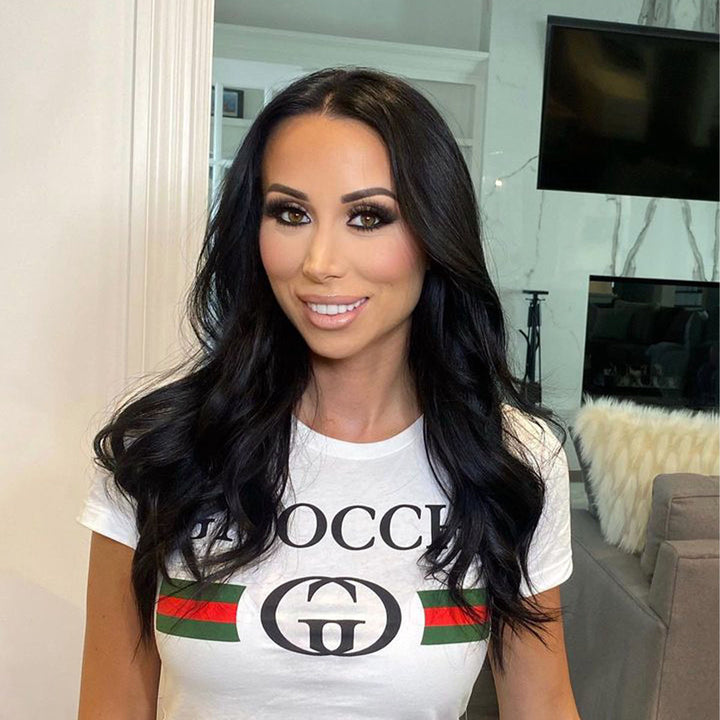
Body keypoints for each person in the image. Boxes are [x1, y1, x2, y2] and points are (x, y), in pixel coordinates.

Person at [76, 66, 580, 720]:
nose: (319, 263)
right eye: (291, 214)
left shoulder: (509, 460)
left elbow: (543, 706)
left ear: (434, 234)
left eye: (368, 216)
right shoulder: (160, 451)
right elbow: (109, 705)